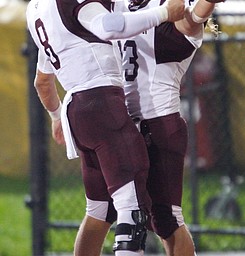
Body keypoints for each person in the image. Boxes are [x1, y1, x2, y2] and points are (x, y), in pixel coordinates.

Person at [25, 0, 185, 255]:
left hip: (77, 111)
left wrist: (57, 117)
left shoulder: (36, 8)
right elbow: (109, 26)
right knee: (132, 207)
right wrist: (165, 12)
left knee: (100, 209)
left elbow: (42, 82)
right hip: (102, 105)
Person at [121, 0, 226, 255]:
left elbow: (192, 19)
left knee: (166, 218)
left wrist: (208, 3)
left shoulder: (173, 9)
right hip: (124, 121)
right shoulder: (122, 5)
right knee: (119, 210)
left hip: (158, 121)